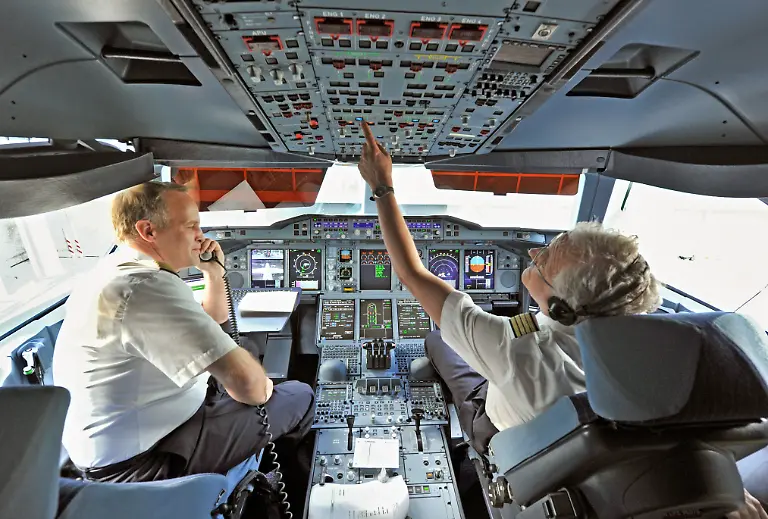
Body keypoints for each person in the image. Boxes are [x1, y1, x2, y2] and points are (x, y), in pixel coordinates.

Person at [357, 122, 767, 518]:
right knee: (453, 341)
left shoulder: (513, 351)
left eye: (547, 258)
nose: (534, 255)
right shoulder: (665, 362)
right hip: (589, 461)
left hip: (503, 434)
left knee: (439, 343)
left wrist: (381, 185)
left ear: (561, 308)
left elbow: (412, 274)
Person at [53, 181, 315, 485]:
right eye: (191, 226)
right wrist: (266, 385)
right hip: (144, 460)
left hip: (131, 438)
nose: (200, 236)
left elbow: (205, 327)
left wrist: (213, 275)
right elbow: (251, 389)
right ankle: (283, 490)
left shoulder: (116, 272)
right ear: (148, 231)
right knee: (299, 396)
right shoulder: (145, 287)